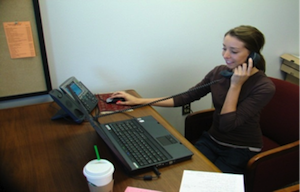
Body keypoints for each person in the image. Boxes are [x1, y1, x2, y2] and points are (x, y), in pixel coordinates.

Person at [108, 25, 275, 174]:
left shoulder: (264, 87)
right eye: (224, 48)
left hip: (241, 149)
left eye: (234, 51)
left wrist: (235, 86)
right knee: (181, 174)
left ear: (253, 56)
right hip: (212, 140)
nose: (225, 55)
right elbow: (185, 97)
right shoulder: (219, 72)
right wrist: (138, 100)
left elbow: (226, 125)